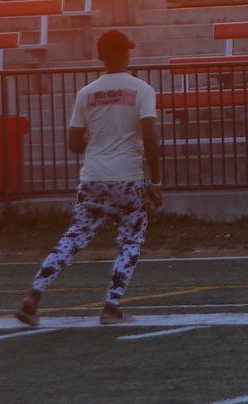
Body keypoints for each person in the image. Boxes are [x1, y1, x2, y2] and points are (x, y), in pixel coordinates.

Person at [14, 30, 159, 327]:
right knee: (131, 239)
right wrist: (155, 181)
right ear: (124, 55)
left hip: (92, 176)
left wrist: (97, 139)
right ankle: (111, 305)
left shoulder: (86, 93)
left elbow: (75, 144)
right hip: (127, 177)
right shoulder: (142, 89)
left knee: (75, 236)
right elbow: (151, 136)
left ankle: (34, 295)